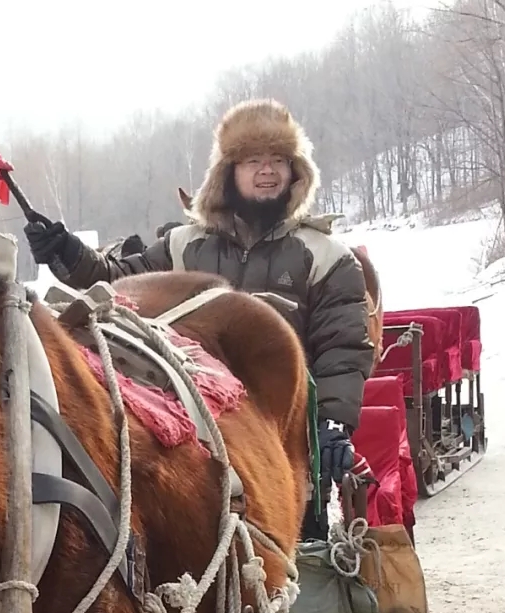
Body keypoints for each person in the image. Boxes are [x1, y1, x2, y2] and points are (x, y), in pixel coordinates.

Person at [25, 100, 375, 536]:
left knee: (290, 565)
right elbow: (119, 283)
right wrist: (66, 253)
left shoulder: (326, 257)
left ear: (296, 172)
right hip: (194, 445)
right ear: (229, 172)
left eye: (278, 161)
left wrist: (332, 425)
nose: (267, 171)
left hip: (283, 443)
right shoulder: (182, 246)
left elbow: (343, 349)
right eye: (253, 160)